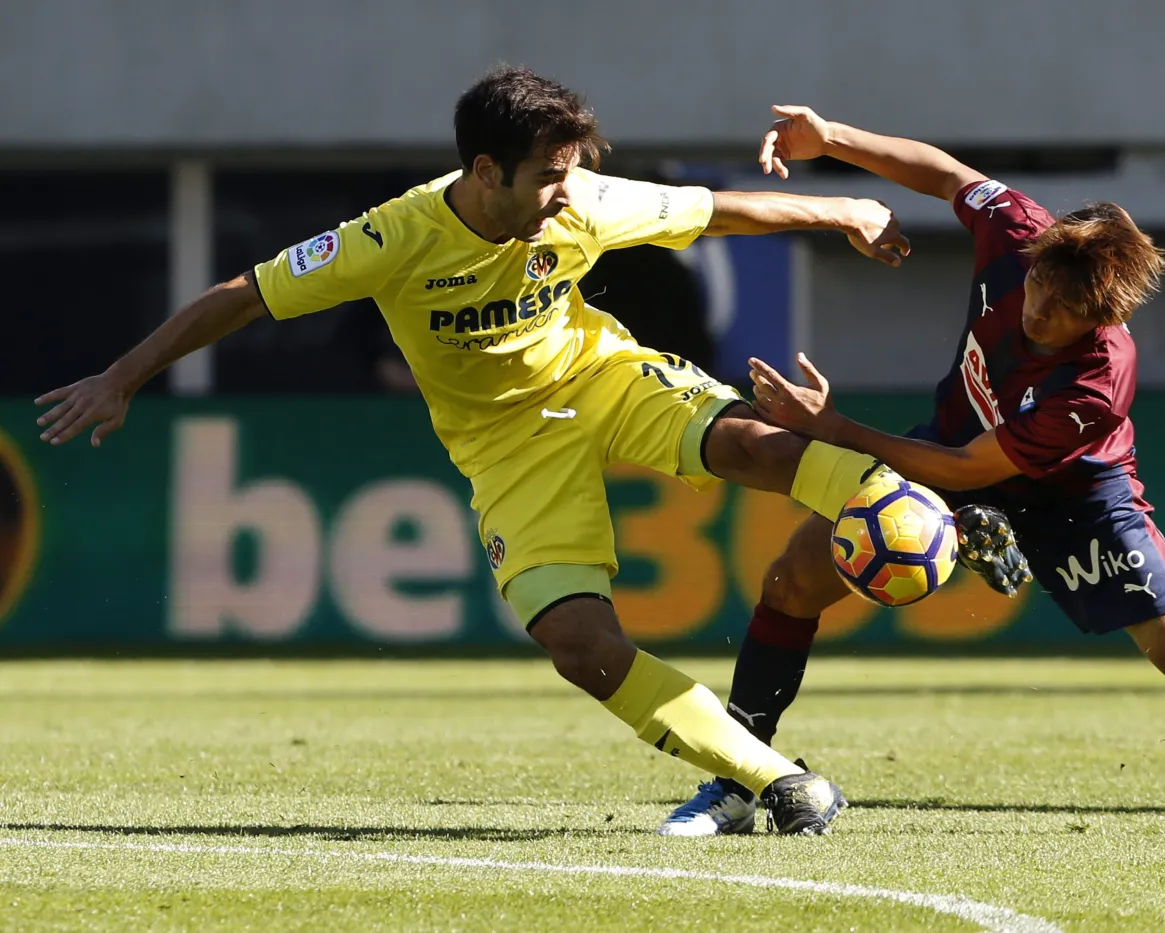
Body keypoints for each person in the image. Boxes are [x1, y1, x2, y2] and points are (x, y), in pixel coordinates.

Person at [32, 68, 1024, 836]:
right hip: (505, 448)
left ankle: (917, 510)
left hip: (597, 376)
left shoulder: (583, 203)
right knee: (579, 648)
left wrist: (842, 210)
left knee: (755, 445)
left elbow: (717, 211)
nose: (564, 194)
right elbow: (245, 294)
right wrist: (122, 376)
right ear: (482, 173)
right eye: (547, 177)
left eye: (570, 173)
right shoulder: (392, 237)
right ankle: (774, 781)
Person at [658, 104, 1165, 837]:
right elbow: (946, 173)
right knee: (792, 577)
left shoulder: (1097, 379)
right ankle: (734, 784)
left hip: (1072, 495)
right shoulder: (1020, 232)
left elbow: (967, 466)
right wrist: (832, 139)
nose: (1038, 310)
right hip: (948, 449)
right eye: (1040, 287)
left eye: (1062, 309)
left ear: (1102, 315)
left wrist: (831, 427)